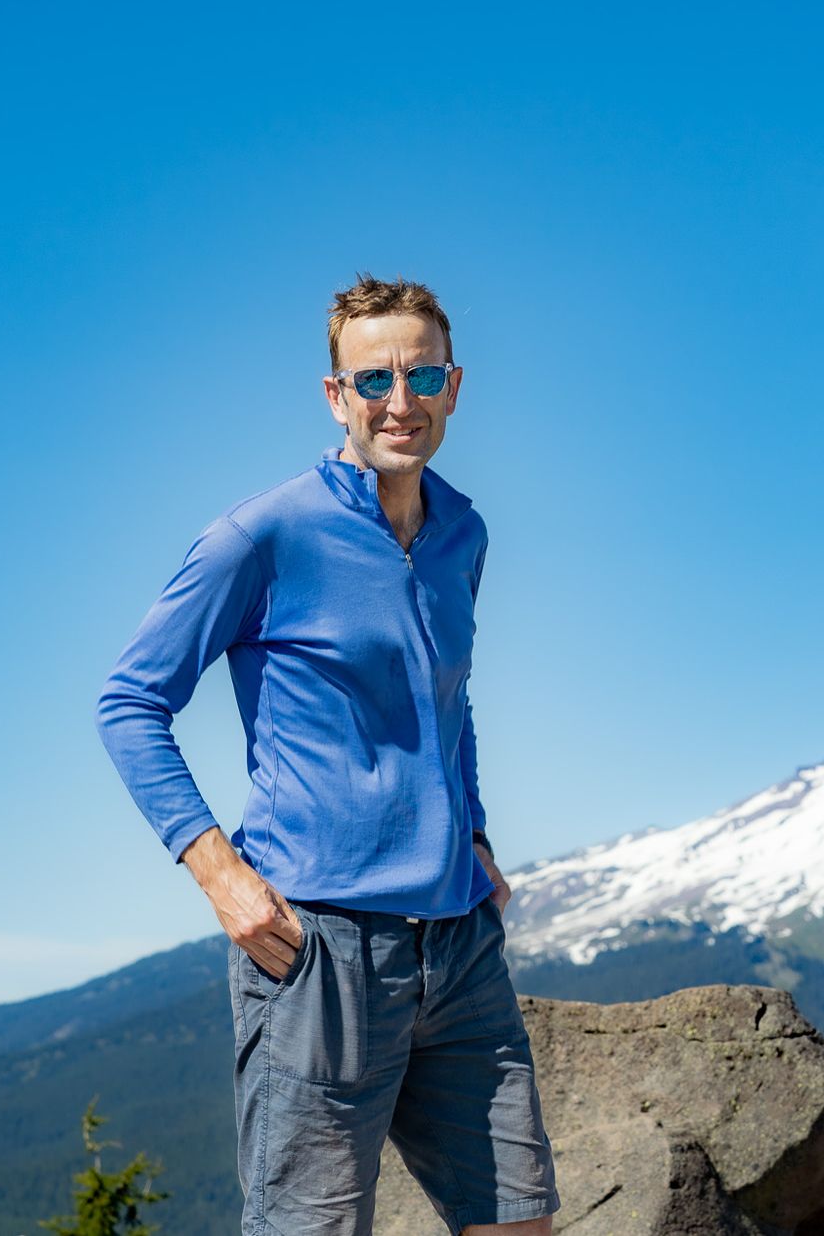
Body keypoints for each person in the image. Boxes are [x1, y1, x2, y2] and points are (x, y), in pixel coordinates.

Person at [94, 274, 561, 1236]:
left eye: (423, 375)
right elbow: (130, 701)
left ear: (455, 387)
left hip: (461, 945)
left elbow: (447, 693)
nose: (402, 401)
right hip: (319, 948)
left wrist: (471, 830)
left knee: (518, 1222)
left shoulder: (463, 534)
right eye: (375, 378)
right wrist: (218, 871)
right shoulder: (261, 535)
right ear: (335, 394)